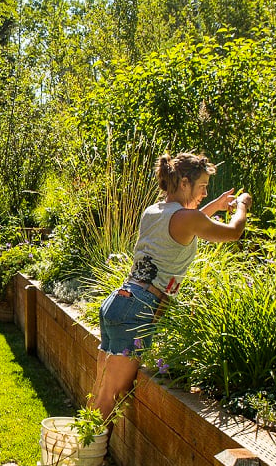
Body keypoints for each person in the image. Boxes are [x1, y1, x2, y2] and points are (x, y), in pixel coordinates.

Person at [94, 152, 253, 422]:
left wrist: (213, 206)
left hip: (119, 302)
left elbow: (183, 224)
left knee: (100, 392)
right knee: (111, 397)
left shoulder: (154, 211)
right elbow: (233, 232)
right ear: (183, 183)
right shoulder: (185, 218)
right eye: (202, 186)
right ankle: (90, 462)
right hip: (138, 310)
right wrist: (242, 206)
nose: (204, 192)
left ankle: (88, 457)